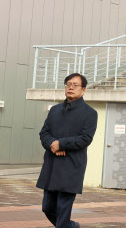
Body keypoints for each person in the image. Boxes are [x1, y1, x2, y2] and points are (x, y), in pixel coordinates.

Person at [36, 73, 98, 228]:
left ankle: (66, 225)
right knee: (47, 207)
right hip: (52, 165)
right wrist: (53, 145)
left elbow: (85, 138)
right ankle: (71, 226)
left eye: (75, 85)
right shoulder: (54, 110)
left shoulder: (90, 113)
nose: (71, 87)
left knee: (63, 210)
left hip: (71, 167)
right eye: (68, 84)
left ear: (83, 90)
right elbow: (44, 133)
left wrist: (61, 144)